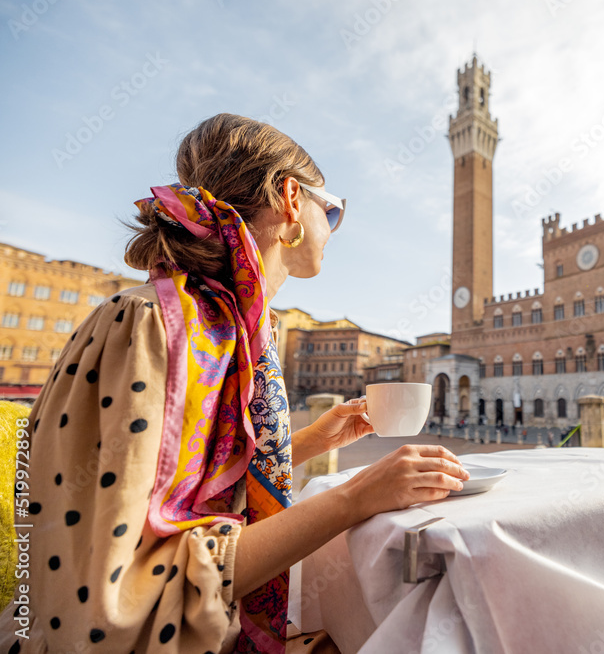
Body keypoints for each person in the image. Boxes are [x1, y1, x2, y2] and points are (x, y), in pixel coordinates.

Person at [2, 114, 469, 653]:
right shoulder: (153, 326)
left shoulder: (233, 329)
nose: (335, 227)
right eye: (333, 211)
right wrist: (355, 498)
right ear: (292, 199)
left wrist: (310, 442)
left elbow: (191, 493)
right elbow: (123, 598)